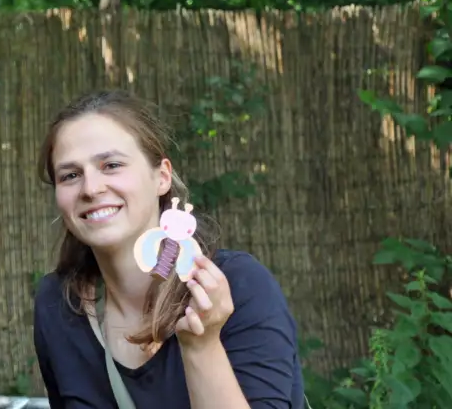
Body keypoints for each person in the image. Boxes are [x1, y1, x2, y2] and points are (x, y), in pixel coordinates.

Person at [33, 90, 305, 408]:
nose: (91, 188)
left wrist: (202, 346)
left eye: (111, 165)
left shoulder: (239, 286)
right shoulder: (58, 303)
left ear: (161, 177)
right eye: (71, 175)